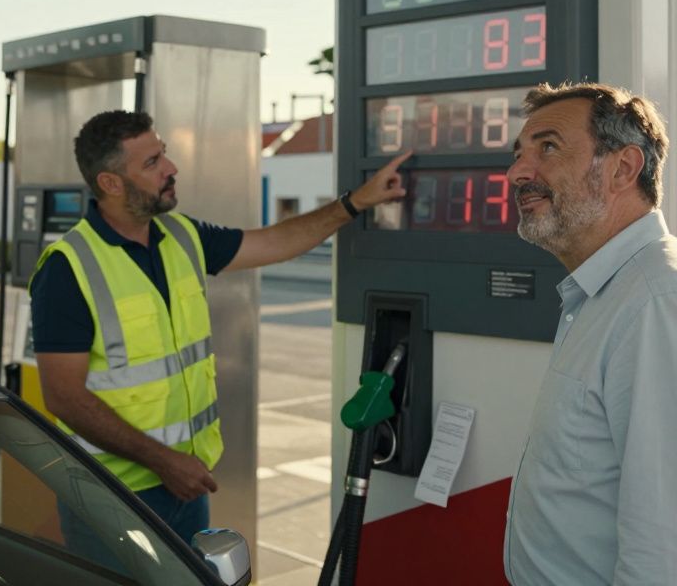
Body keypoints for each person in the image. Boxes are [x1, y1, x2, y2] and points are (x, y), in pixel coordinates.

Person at [31, 109, 408, 545]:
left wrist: (354, 202)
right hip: (110, 495)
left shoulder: (182, 236)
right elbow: (63, 397)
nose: (170, 169)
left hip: (185, 482)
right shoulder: (67, 268)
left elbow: (276, 241)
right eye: (152, 163)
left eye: (164, 154)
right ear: (111, 183)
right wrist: (163, 462)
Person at [502, 83, 677, 585]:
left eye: (548, 148)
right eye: (519, 155)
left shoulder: (663, 308)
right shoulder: (614, 294)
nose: (518, 173)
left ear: (623, 168)